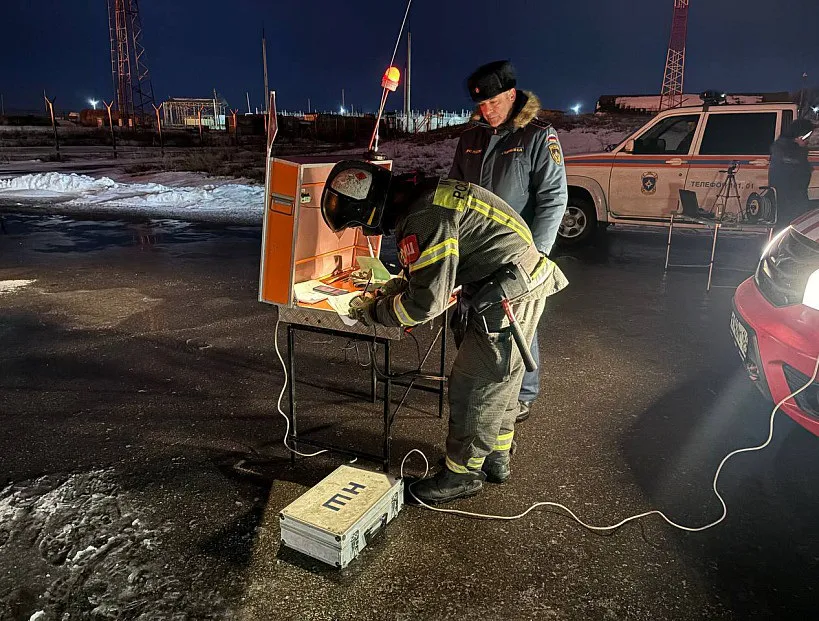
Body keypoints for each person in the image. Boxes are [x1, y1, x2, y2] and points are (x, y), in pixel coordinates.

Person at [321, 161, 568, 504]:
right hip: (511, 280)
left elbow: (423, 306)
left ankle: (461, 475)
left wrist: (374, 312)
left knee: (476, 384)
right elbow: (439, 267)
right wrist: (400, 286)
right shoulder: (424, 196)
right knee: (502, 382)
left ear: (371, 210)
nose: (366, 232)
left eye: (362, 225)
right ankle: (496, 458)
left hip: (507, 293)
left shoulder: (423, 217)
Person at [449, 60, 568, 424]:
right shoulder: (470, 138)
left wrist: (537, 256)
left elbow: (553, 198)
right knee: (475, 318)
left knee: (517, 324)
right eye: (481, 105)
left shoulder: (536, 135)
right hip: (475, 250)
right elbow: (453, 190)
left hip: (518, 253)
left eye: (494, 103)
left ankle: (524, 395)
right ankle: (483, 382)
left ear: (512, 96)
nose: (487, 111)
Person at [769, 118, 815, 228]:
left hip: (797, 198)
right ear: (797, 136)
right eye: (805, 137)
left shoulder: (794, 151)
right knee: (786, 226)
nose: (807, 141)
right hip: (787, 200)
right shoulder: (785, 151)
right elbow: (787, 178)